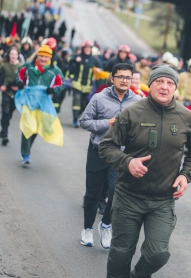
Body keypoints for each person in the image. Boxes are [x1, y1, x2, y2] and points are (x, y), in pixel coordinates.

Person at [98, 64, 191, 278]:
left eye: (169, 83)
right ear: (151, 84)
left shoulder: (187, 118)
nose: (164, 87)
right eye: (159, 81)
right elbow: (106, 146)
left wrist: (185, 175)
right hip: (129, 196)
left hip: (163, 201)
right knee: (120, 254)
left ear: (175, 87)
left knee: (158, 254)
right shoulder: (132, 112)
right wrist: (127, 162)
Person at [79, 63, 140, 249]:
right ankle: (87, 229)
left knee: (116, 193)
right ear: (112, 78)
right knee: (93, 194)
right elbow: (84, 121)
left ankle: (106, 225)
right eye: (120, 77)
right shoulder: (99, 98)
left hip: (121, 153)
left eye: (128, 77)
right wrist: (108, 123)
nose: (124, 80)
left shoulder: (138, 101)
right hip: (98, 150)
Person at [16, 45, 65, 164]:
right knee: (28, 126)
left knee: (36, 128)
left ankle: (27, 149)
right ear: (37, 56)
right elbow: (19, 74)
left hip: (43, 102)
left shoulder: (55, 70)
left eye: (46, 57)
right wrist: (20, 83)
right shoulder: (29, 66)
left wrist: (52, 90)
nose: (43, 59)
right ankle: (25, 154)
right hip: (29, 100)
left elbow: (61, 84)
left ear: (50, 58)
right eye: (41, 56)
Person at [67, 40, 102, 127]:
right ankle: (75, 119)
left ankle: (78, 115)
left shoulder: (95, 60)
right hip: (77, 84)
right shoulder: (78, 56)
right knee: (76, 100)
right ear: (83, 48)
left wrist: (99, 70)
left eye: (89, 48)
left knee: (84, 104)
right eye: (86, 48)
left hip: (87, 87)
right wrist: (75, 59)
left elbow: (101, 69)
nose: (87, 49)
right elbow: (68, 59)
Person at [0, 46, 23, 145]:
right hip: (6, 92)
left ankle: (3, 129)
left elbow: (25, 79)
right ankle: (5, 134)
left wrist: (19, 87)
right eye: (12, 54)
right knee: (5, 111)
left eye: (15, 54)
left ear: (18, 56)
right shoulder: (4, 65)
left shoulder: (21, 66)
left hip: (17, 93)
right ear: (9, 55)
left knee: (9, 113)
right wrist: (2, 85)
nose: (13, 56)